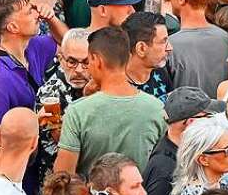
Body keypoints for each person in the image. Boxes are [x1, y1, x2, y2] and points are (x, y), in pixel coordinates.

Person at [54, 26, 165, 175]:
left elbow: (63, 176)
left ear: (96, 60)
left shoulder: (77, 112)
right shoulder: (156, 108)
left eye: (88, 61)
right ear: (128, 58)